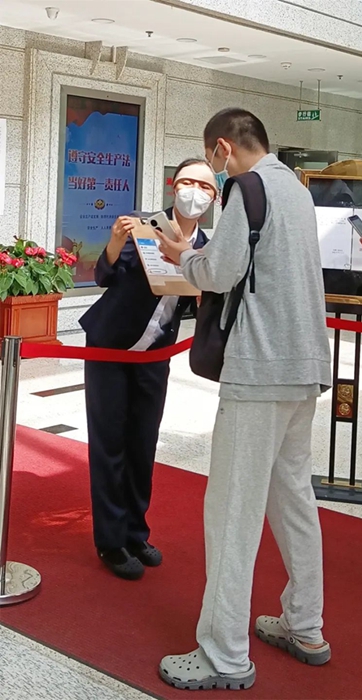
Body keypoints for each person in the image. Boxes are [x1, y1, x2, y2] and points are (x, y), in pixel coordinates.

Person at [156, 108, 332, 691]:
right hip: (303, 365)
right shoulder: (296, 189)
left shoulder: (245, 187)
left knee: (232, 512)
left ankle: (224, 654)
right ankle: (305, 624)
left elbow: (221, 272)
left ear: (223, 148)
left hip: (259, 369)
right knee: (293, 501)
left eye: (211, 156)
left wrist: (183, 255)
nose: (212, 168)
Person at [79, 159, 217, 580]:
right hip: (109, 348)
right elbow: (104, 276)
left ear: (214, 197)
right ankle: (110, 541)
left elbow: (205, 303)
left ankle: (135, 532)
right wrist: (114, 243)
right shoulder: (144, 226)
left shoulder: (210, 247)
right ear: (174, 186)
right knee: (109, 444)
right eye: (187, 182)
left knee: (143, 443)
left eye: (204, 187)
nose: (194, 192)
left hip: (156, 353)